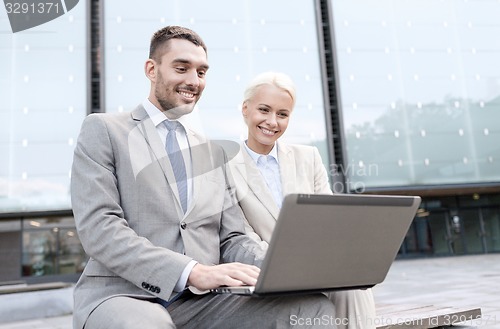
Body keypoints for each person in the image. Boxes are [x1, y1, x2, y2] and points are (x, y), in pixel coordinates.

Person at [70, 26, 339, 329]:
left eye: (201, 72)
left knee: (312, 309)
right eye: (181, 68)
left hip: (202, 301)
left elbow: (232, 237)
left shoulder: (212, 152)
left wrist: (284, 266)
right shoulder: (105, 130)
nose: (193, 81)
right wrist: (191, 270)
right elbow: (100, 229)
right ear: (151, 69)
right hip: (124, 296)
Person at [229, 71, 377, 329]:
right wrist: (290, 264)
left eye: (282, 114)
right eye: (264, 110)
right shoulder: (225, 166)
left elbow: (328, 222)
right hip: (265, 272)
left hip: (318, 265)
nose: (272, 122)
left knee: (354, 288)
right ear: (245, 109)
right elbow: (240, 235)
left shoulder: (308, 157)